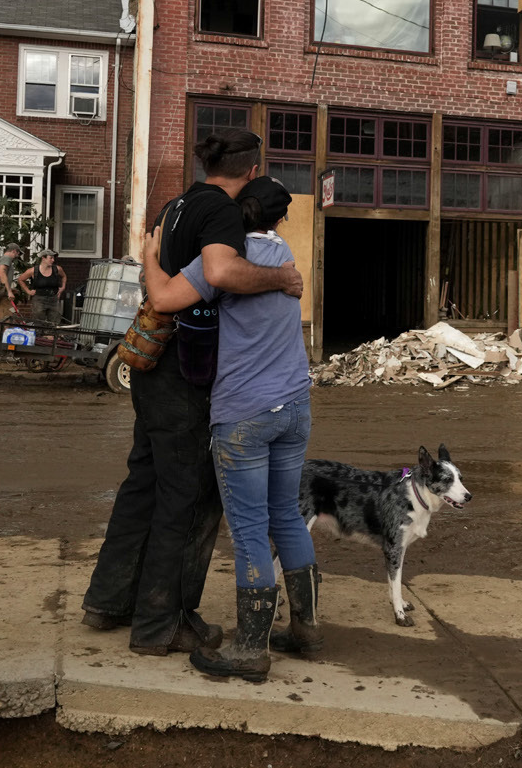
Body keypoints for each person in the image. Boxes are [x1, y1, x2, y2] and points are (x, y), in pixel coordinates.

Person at [81, 130, 304, 656]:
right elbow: (222, 270)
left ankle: (108, 601)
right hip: (187, 372)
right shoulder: (223, 213)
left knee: (144, 484)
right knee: (190, 497)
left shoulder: (174, 205)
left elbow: (156, 271)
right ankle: (163, 623)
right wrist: (280, 278)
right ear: (251, 172)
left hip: (152, 368)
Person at [142, 176, 319, 682]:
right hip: (295, 406)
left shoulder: (219, 264)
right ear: (280, 218)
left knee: (247, 531)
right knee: (285, 513)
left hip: (244, 413)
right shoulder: (286, 258)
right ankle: (306, 629)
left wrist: (151, 253)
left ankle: (250, 648)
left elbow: (162, 299)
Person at [18, 250, 67, 326]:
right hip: (39, 299)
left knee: (54, 322)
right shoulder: (33, 271)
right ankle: (40, 337)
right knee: (39, 322)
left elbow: (64, 276)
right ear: (43, 258)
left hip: (53, 299)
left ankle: (52, 336)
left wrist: (63, 287)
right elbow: (21, 279)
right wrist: (28, 291)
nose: (53, 260)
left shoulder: (57, 269)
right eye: (50, 258)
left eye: (53, 258)